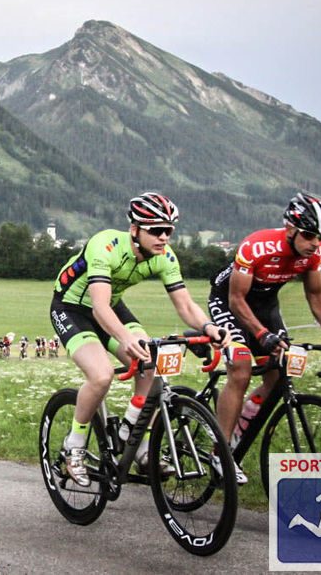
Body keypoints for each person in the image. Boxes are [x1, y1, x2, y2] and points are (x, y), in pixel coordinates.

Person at [50, 192, 229, 486]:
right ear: (135, 229)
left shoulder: (164, 257)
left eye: (168, 230)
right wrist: (124, 338)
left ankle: (136, 439)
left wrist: (209, 327)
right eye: (155, 230)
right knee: (101, 375)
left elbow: (184, 305)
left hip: (111, 305)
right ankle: (74, 447)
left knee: (151, 363)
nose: (163, 237)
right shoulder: (105, 246)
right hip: (72, 307)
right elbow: (99, 307)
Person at [208, 192, 321, 484]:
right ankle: (219, 450)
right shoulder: (257, 246)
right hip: (230, 303)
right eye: (310, 235)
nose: (315, 243)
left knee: (277, 374)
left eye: (320, 237)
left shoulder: (314, 253)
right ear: (290, 229)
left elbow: (316, 294)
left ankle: (238, 428)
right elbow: (236, 299)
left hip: (266, 305)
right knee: (241, 367)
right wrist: (261, 335)